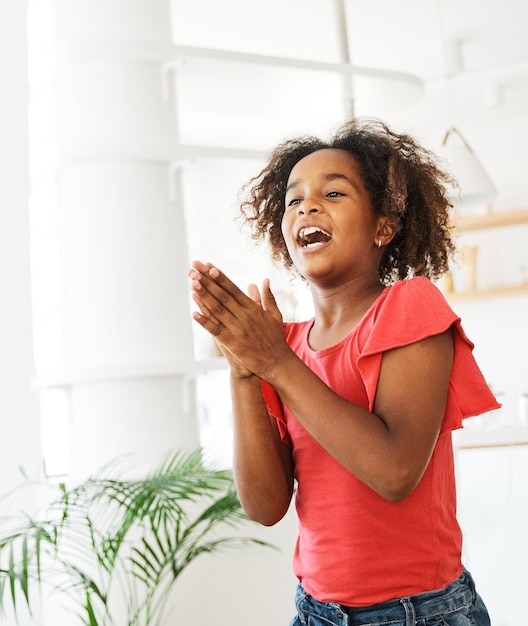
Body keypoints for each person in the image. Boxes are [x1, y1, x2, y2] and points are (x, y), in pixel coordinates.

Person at [189, 118, 500, 626]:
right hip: (315, 612)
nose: (308, 206)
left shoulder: (408, 305)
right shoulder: (283, 346)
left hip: (416, 614)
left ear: (384, 226)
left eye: (333, 193)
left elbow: (395, 472)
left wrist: (274, 364)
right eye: (294, 200)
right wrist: (245, 372)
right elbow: (265, 505)